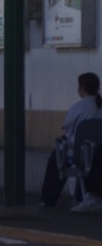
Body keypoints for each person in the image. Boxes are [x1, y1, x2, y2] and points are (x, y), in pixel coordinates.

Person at [39, 72, 102, 209]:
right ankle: (83, 196)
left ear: (82, 88)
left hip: (78, 153)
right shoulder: (99, 105)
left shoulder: (79, 107)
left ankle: (47, 200)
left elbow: (68, 130)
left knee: (56, 157)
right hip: (98, 152)